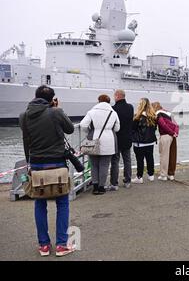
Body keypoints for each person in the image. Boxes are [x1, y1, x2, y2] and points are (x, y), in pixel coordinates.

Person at [19, 85, 76, 257]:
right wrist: (57, 108)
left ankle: (44, 245)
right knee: (62, 203)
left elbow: (26, 141)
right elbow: (70, 129)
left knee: (39, 203)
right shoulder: (55, 112)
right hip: (57, 163)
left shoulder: (24, 116)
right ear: (52, 99)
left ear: (35, 97)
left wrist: (29, 163)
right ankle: (61, 245)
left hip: (36, 164)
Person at [80, 95, 120, 195]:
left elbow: (83, 125)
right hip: (109, 140)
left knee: (94, 165)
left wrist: (90, 131)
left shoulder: (92, 112)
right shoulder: (113, 113)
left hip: (94, 139)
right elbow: (117, 128)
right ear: (109, 102)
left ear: (98, 101)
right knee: (104, 165)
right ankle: (102, 187)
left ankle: (95, 186)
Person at [109, 90, 134, 190]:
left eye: (114, 96)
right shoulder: (130, 107)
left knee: (115, 161)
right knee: (127, 160)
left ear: (117, 96)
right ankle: (127, 181)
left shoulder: (113, 109)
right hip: (127, 137)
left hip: (116, 138)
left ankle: (114, 183)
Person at [131, 98, 158, 184]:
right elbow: (154, 129)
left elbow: (133, 129)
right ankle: (151, 175)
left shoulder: (137, 117)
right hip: (150, 141)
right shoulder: (153, 117)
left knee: (140, 160)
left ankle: (139, 177)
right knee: (150, 158)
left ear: (141, 105)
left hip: (140, 143)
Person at [153, 102, 179, 181]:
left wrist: (171, 132)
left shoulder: (158, 114)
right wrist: (175, 133)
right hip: (173, 137)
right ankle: (171, 174)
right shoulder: (169, 113)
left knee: (164, 156)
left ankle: (163, 175)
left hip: (165, 136)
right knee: (172, 155)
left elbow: (163, 124)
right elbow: (176, 125)